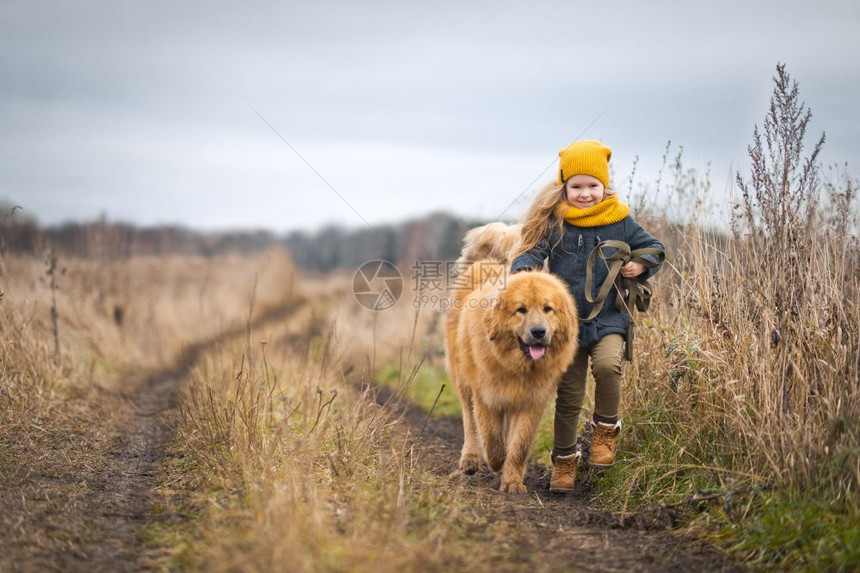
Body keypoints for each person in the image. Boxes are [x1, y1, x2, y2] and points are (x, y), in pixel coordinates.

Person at [509, 140, 665, 493]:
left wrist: (639, 264)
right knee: (569, 394)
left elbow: (656, 247)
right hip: (565, 326)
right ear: (564, 187)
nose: (585, 194)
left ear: (604, 187)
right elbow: (530, 253)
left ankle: (605, 433)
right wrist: (522, 276)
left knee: (609, 367)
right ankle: (564, 461)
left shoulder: (621, 220)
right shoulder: (555, 224)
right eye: (576, 186)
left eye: (592, 186)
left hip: (608, 317)